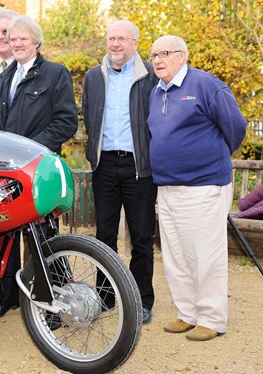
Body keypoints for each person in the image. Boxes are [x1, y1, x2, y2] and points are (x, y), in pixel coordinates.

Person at [147, 35, 247, 341]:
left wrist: (209, 157)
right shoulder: (155, 92)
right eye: (153, 55)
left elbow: (236, 127)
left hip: (203, 186)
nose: (158, 60)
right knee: (175, 256)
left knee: (205, 255)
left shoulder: (205, 85)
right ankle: (187, 313)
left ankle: (212, 318)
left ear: (182, 56)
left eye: (164, 53)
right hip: (167, 188)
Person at [0, 16, 78, 319]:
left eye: (23, 38)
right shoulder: (2, 79)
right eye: (12, 39)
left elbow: (66, 122)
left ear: (36, 42)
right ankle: (7, 297)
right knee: (5, 232)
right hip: (5, 172)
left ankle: (52, 303)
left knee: (44, 238)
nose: (16, 44)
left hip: (38, 171)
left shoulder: (55, 74)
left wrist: (30, 151)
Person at [82, 20, 158, 324]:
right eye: (111, 38)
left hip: (139, 166)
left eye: (122, 39)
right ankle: (105, 296)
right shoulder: (93, 77)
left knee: (141, 237)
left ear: (135, 43)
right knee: (104, 237)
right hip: (105, 165)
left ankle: (142, 300)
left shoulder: (150, 75)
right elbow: (89, 117)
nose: (115, 44)